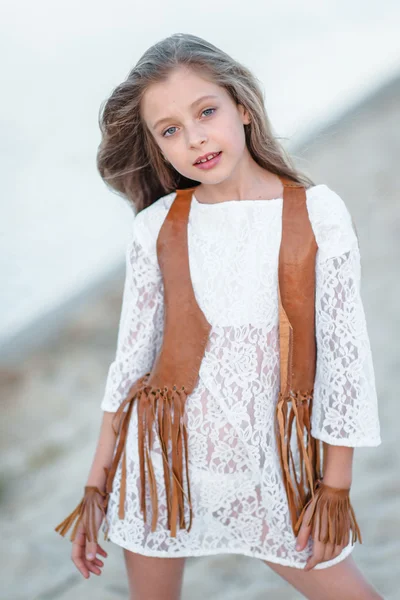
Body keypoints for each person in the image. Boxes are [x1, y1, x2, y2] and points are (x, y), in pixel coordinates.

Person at [59, 33, 383, 600]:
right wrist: (95, 488)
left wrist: (336, 488)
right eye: (170, 130)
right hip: (163, 469)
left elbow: (344, 362)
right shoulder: (156, 227)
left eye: (206, 111)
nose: (195, 138)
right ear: (159, 148)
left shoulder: (317, 213)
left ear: (244, 109)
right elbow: (129, 365)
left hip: (272, 471)